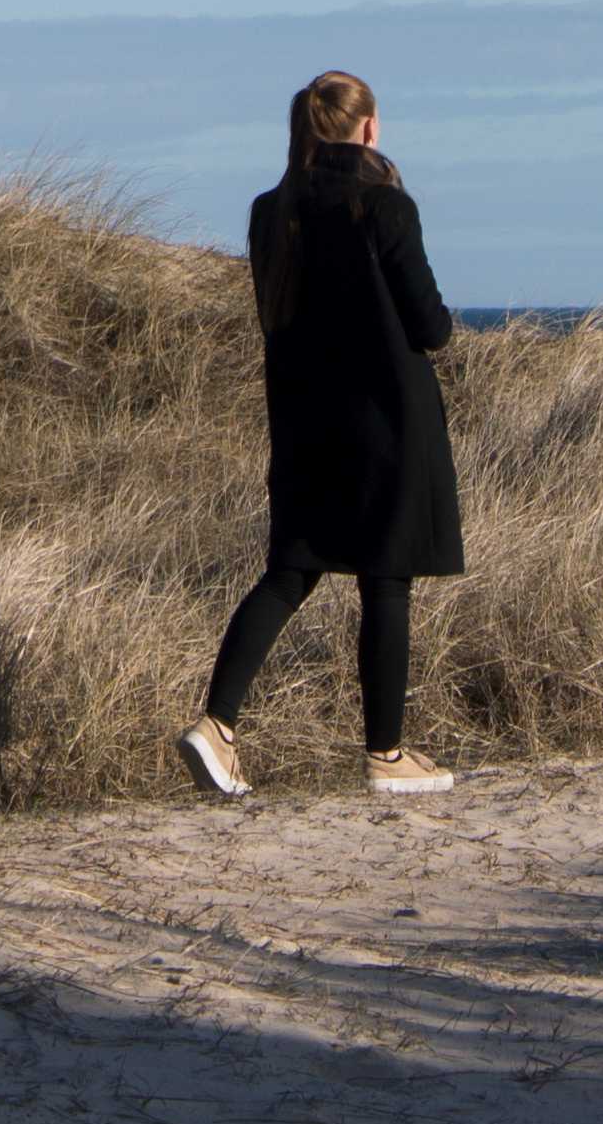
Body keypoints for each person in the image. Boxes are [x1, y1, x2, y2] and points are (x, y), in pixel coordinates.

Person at [180, 70, 465, 799]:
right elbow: (430, 325)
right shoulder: (385, 206)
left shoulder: (271, 211)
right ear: (366, 129)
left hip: (305, 417)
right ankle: (387, 756)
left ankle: (217, 727)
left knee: (291, 569)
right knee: (386, 577)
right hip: (386, 418)